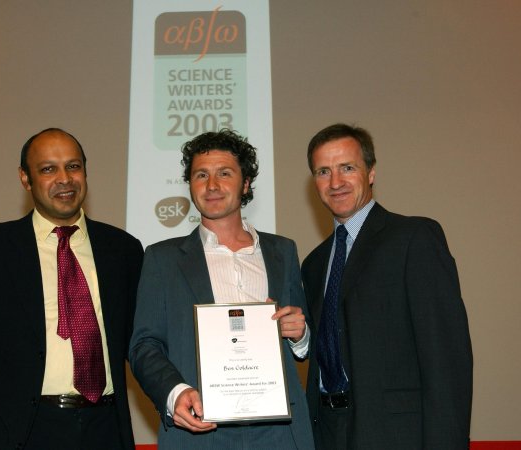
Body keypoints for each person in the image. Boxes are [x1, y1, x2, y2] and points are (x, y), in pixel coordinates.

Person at [0, 128, 143, 450]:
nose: (65, 179)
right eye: (48, 169)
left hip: (106, 430)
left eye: (73, 166)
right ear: (25, 179)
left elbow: (144, 345)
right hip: (22, 435)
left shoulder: (123, 250)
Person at [129, 129, 315, 449]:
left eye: (224, 173)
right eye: (201, 175)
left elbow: (302, 344)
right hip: (200, 432)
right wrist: (175, 393)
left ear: (245, 184)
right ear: (190, 185)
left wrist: (300, 334)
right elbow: (144, 346)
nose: (212, 185)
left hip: (279, 434)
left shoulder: (282, 251)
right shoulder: (162, 259)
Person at [302, 123, 473, 450]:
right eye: (323, 171)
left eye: (347, 168)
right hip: (327, 433)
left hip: (396, 435)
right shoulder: (313, 265)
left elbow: (447, 361)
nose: (335, 182)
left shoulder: (414, 239)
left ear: (371, 173)